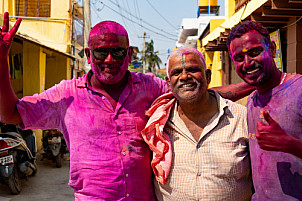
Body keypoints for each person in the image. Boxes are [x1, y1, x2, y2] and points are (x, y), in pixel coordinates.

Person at [0, 12, 254, 200]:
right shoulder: (66, 95)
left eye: (118, 52)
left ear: (130, 55)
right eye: (101, 53)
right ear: (89, 56)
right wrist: (1, 60)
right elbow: (10, 113)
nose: (109, 60)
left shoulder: (149, 87)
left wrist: (257, 85)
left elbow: (194, 93)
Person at [142, 47, 252, 201]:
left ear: (208, 76)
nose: (184, 76)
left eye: (193, 70)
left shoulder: (242, 118)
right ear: (168, 82)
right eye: (176, 72)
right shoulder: (158, 125)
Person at [227, 21, 302, 200]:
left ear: (273, 50)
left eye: (255, 52)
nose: (247, 63)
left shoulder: (299, 89)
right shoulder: (252, 101)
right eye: (239, 58)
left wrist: (288, 144)